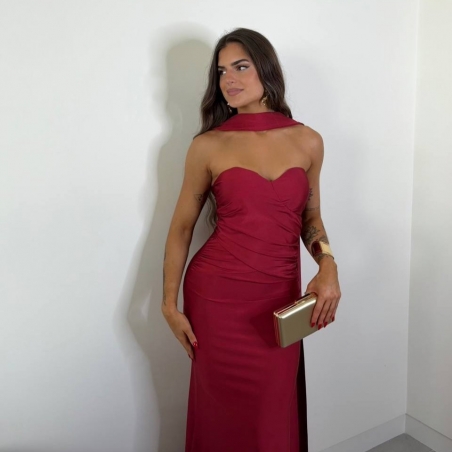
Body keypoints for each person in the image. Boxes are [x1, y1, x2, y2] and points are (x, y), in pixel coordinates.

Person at [162, 27, 341, 452]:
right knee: (220, 414)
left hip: (277, 301)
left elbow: (310, 217)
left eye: (240, 67)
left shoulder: (308, 141)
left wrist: (328, 264)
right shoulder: (207, 146)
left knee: (271, 416)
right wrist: (169, 304)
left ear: (266, 68)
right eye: (221, 71)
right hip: (216, 301)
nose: (229, 79)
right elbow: (181, 228)